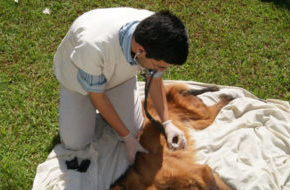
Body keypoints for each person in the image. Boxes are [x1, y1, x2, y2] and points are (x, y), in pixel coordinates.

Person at [53, 7, 189, 164]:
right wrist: (127, 139)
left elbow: (155, 82)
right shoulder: (92, 47)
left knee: (134, 130)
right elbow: (98, 97)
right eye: (160, 66)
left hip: (119, 76)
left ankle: (109, 116)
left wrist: (167, 123)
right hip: (78, 81)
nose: (162, 71)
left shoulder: (158, 32)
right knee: (75, 143)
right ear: (140, 51)